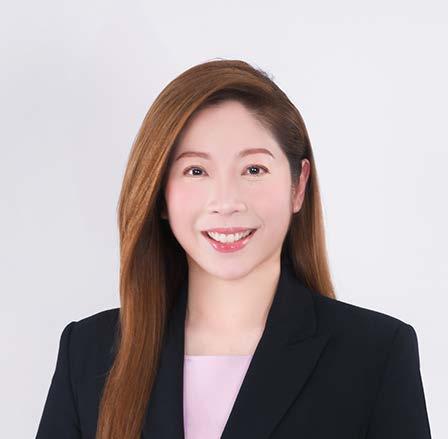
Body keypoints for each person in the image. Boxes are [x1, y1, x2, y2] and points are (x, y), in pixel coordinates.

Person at [36, 59, 432, 439]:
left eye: (254, 170)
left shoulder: (375, 354)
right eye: (196, 170)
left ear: (298, 185)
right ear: (159, 193)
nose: (226, 202)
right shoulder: (88, 353)